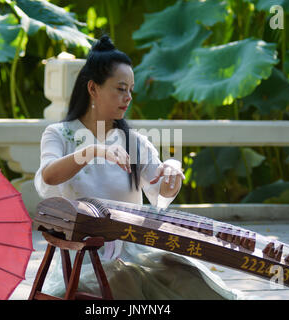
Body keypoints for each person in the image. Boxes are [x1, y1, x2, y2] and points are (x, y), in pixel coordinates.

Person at [34, 35, 245, 300]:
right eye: (120, 88)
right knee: (124, 277)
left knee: (186, 273)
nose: (128, 97)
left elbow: (161, 191)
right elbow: (49, 177)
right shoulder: (59, 134)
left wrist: (171, 175)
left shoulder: (134, 142)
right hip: (85, 256)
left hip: (134, 248)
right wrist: (93, 150)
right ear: (93, 89)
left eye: (131, 89)